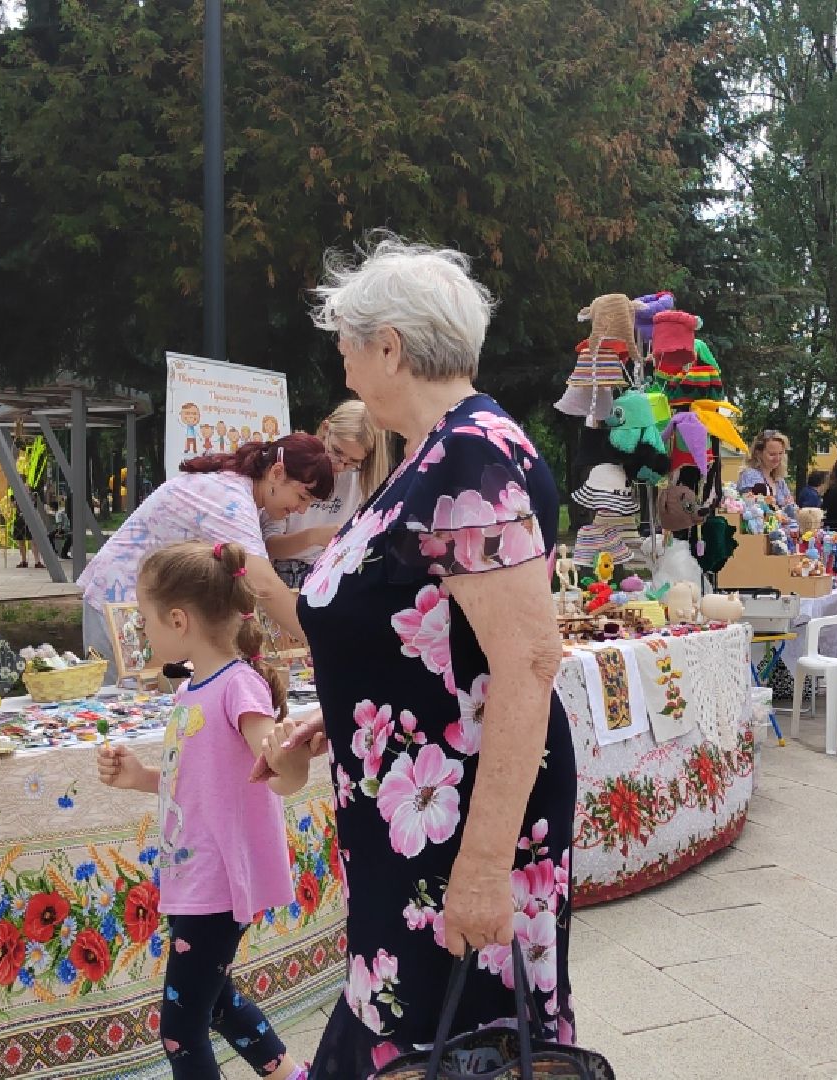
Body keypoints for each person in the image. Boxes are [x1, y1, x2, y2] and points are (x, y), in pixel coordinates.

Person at [263, 234, 576, 1077]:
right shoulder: (431, 457)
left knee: (453, 1045)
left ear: (390, 347)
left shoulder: (472, 457)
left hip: (455, 831)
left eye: (347, 342)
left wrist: (480, 870)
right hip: (413, 810)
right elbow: (426, 634)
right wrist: (350, 718)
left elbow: (527, 662)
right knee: (416, 1039)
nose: (341, 359)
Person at [95, 542, 309, 1080]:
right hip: (193, 877)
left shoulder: (237, 686)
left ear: (177, 619)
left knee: (180, 1029)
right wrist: (142, 777)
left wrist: (283, 749)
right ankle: (292, 1074)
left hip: (215, 884)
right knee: (214, 1003)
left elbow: (274, 762)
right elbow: (199, 783)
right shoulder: (193, 689)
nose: (143, 632)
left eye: (145, 620)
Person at [77, 435, 333, 664]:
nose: (301, 510)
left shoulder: (237, 490)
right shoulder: (230, 500)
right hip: (120, 603)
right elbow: (264, 585)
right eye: (302, 497)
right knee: (126, 704)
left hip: (147, 605)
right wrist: (325, 643)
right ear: (277, 473)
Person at [265, 400, 392, 588]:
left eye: (352, 462)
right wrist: (314, 537)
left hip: (331, 570)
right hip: (284, 572)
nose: (340, 466)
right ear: (325, 429)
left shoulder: (361, 481)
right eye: (337, 452)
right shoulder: (297, 464)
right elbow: (269, 545)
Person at [736, 431, 798, 511]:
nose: (777, 458)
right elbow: (758, 508)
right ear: (758, 453)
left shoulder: (779, 480)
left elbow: (793, 508)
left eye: (780, 453)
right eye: (772, 454)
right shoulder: (750, 475)